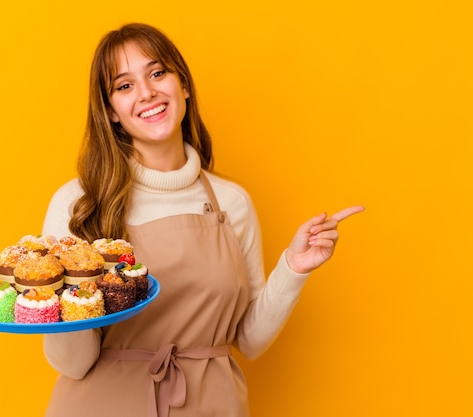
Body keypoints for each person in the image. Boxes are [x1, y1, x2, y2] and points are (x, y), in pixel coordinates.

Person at [40, 22, 364, 417]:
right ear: (110, 112)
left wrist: (293, 269)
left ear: (184, 85)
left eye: (158, 73)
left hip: (212, 405)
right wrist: (55, 296)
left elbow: (249, 341)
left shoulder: (232, 202)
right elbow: (72, 363)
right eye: (124, 86)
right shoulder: (80, 204)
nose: (147, 93)